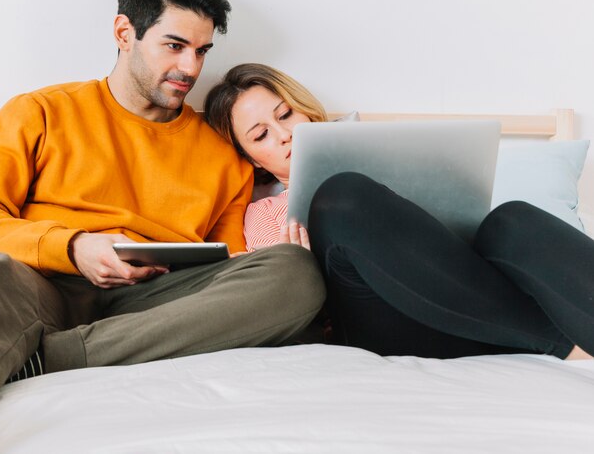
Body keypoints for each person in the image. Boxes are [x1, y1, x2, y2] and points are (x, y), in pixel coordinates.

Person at [0, 0, 325, 423]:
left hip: (158, 302)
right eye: (174, 46)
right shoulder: (39, 112)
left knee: (294, 271)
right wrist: (73, 247)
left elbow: (232, 262)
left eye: (201, 51)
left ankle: (51, 359)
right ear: (124, 32)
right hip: (44, 284)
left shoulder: (223, 152)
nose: (190, 68)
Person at [204, 62, 594, 361]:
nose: (283, 133)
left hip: (467, 301)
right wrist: (300, 264)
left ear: (303, 110)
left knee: (511, 219)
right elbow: (284, 309)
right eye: (261, 135)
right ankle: (561, 342)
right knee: (343, 195)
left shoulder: (393, 164)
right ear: (251, 159)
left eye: (285, 114)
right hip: (386, 321)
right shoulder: (264, 215)